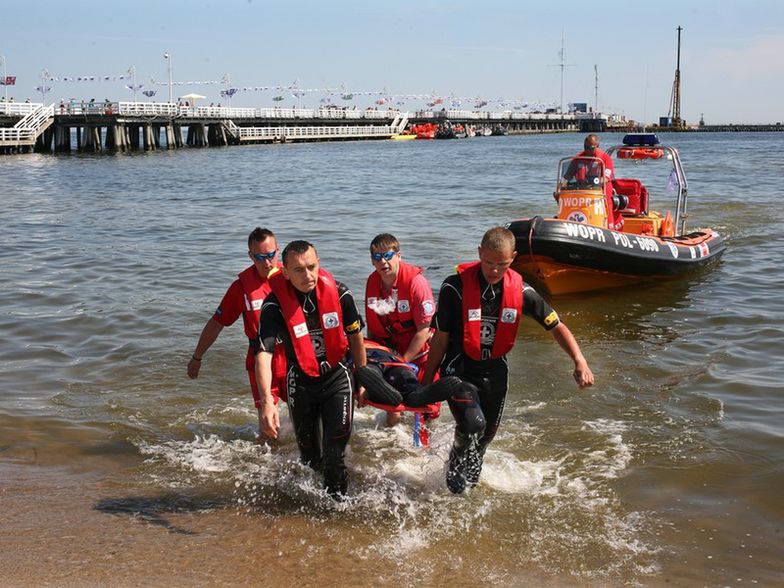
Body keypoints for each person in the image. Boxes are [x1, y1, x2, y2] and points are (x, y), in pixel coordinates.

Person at [422, 227, 594, 494]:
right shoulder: (453, 288)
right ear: (479, 253)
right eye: (488, 262)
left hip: (494, 373)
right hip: (459, 368)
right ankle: (455, 460)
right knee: (473, 423)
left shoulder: (523, 292)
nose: (494, 270)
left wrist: (579, 361)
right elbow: (440, 339)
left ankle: (467, 492)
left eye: (501, 264)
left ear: (513, 258)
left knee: (484, 439)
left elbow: (556, 326)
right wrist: (426, 384)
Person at [255, 240, 366, 498]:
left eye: (312, 267)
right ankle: (310, 507)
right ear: (285, 272)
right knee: (310, 458)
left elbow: (356, 338)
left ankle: (338, 508)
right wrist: (267, 401)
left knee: (335, 453)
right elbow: (263, 354)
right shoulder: (273, 305)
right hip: (301, 383)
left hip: (337, 378)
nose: (308, 275)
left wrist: (363, 378)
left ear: (319, 264)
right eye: (298, 270)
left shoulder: (340, 293)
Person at [187, 227, 286, 436]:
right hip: (260, 359)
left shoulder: (291, 278)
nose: (267, 263)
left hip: (292, 356)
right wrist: (197, 357)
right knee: (268, 425)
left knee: (305, 418)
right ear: (251, 256)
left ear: (278, 250)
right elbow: (217, 323)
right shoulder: (241, 288)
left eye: (271, 255)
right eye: (260, 257)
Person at [364, 233, 438, 426]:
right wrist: (373, 364)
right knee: (392, 408)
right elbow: (372, 330)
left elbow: (424, 330)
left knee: (426, 412)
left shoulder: (416, 283)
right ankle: (392, 441)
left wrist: (403, 361)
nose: (383, 262)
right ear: (372, 261)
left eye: (388, 255)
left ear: (398, 255)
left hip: (419, 353)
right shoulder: (372, 282)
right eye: (377, 257)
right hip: (390, 353)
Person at [561, 134, 623, 231]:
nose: (587, 150)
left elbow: (606, 177)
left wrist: (597, 182)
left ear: (597, 146)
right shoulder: (578, 159)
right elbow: (567, 176)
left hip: (601, 194)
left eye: (591, 148)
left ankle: (610, 227)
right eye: (585, 147)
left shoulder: (605, 159)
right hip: (583, 194)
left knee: (608, 211)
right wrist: (560, 187)